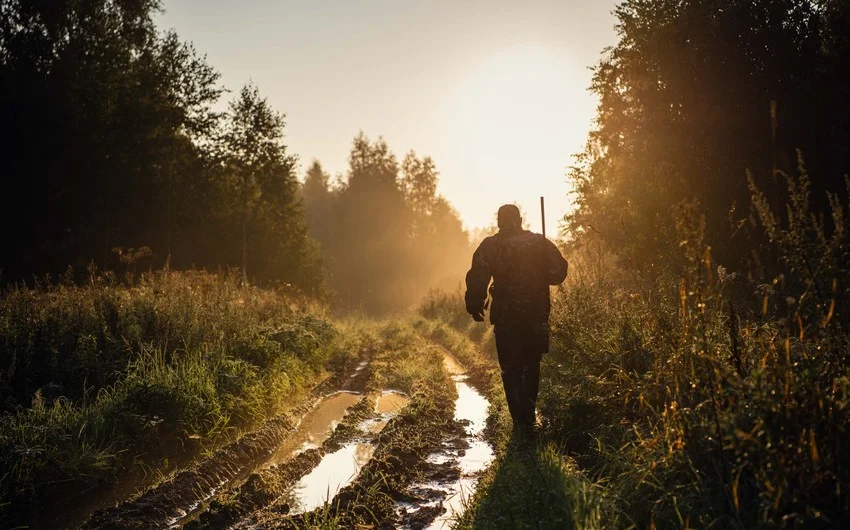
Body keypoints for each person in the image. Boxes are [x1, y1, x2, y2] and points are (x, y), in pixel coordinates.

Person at [465, 204, 568, 434]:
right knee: (531, 366)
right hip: (536, 315)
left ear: (500, 221)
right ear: (520, 220)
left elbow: (478, 276)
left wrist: (474, 304)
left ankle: (519, 423)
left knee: (511, 369)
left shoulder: (492, 245)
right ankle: (529, 418)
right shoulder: (539, 242)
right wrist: (539, 269)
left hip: (507, 317)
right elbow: (558, 273)